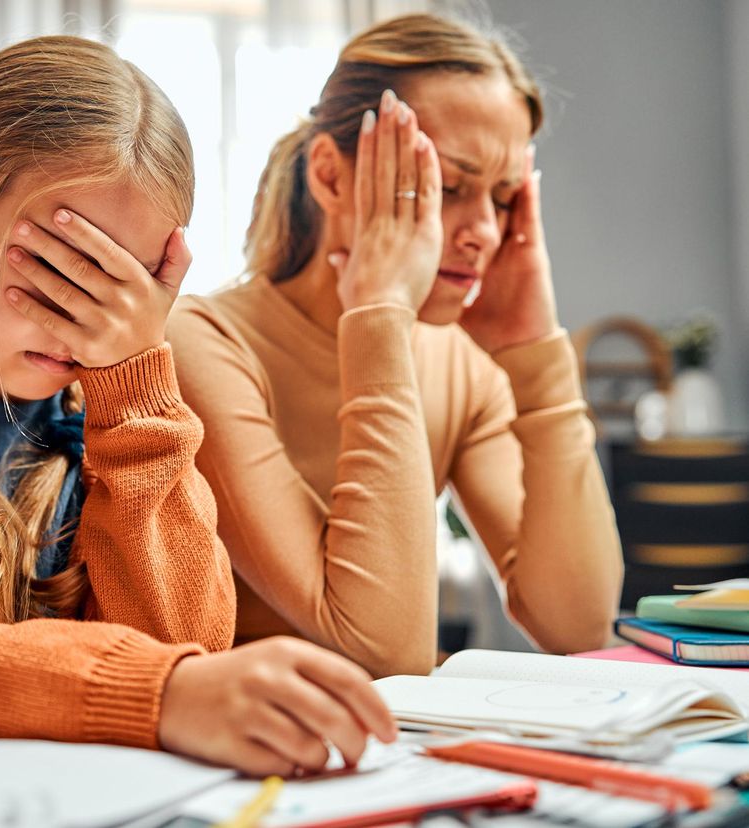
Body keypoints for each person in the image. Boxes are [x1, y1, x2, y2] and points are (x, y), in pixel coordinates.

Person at [0, 36, 395, 777]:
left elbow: (178, 636)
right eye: (54, 271)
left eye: (122, 284)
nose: (85, 323)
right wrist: (158, 695)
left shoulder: (137, 397)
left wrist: (135, 387)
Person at [166, 13, 623, 679]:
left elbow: (576, 626)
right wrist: (378, 317)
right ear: (330, 176)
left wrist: (535, 354)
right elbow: (379, 649)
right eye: (449, 187)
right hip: (237, 757)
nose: (484, 233)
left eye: (502, 199)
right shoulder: (201, 342)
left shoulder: (461, 363)